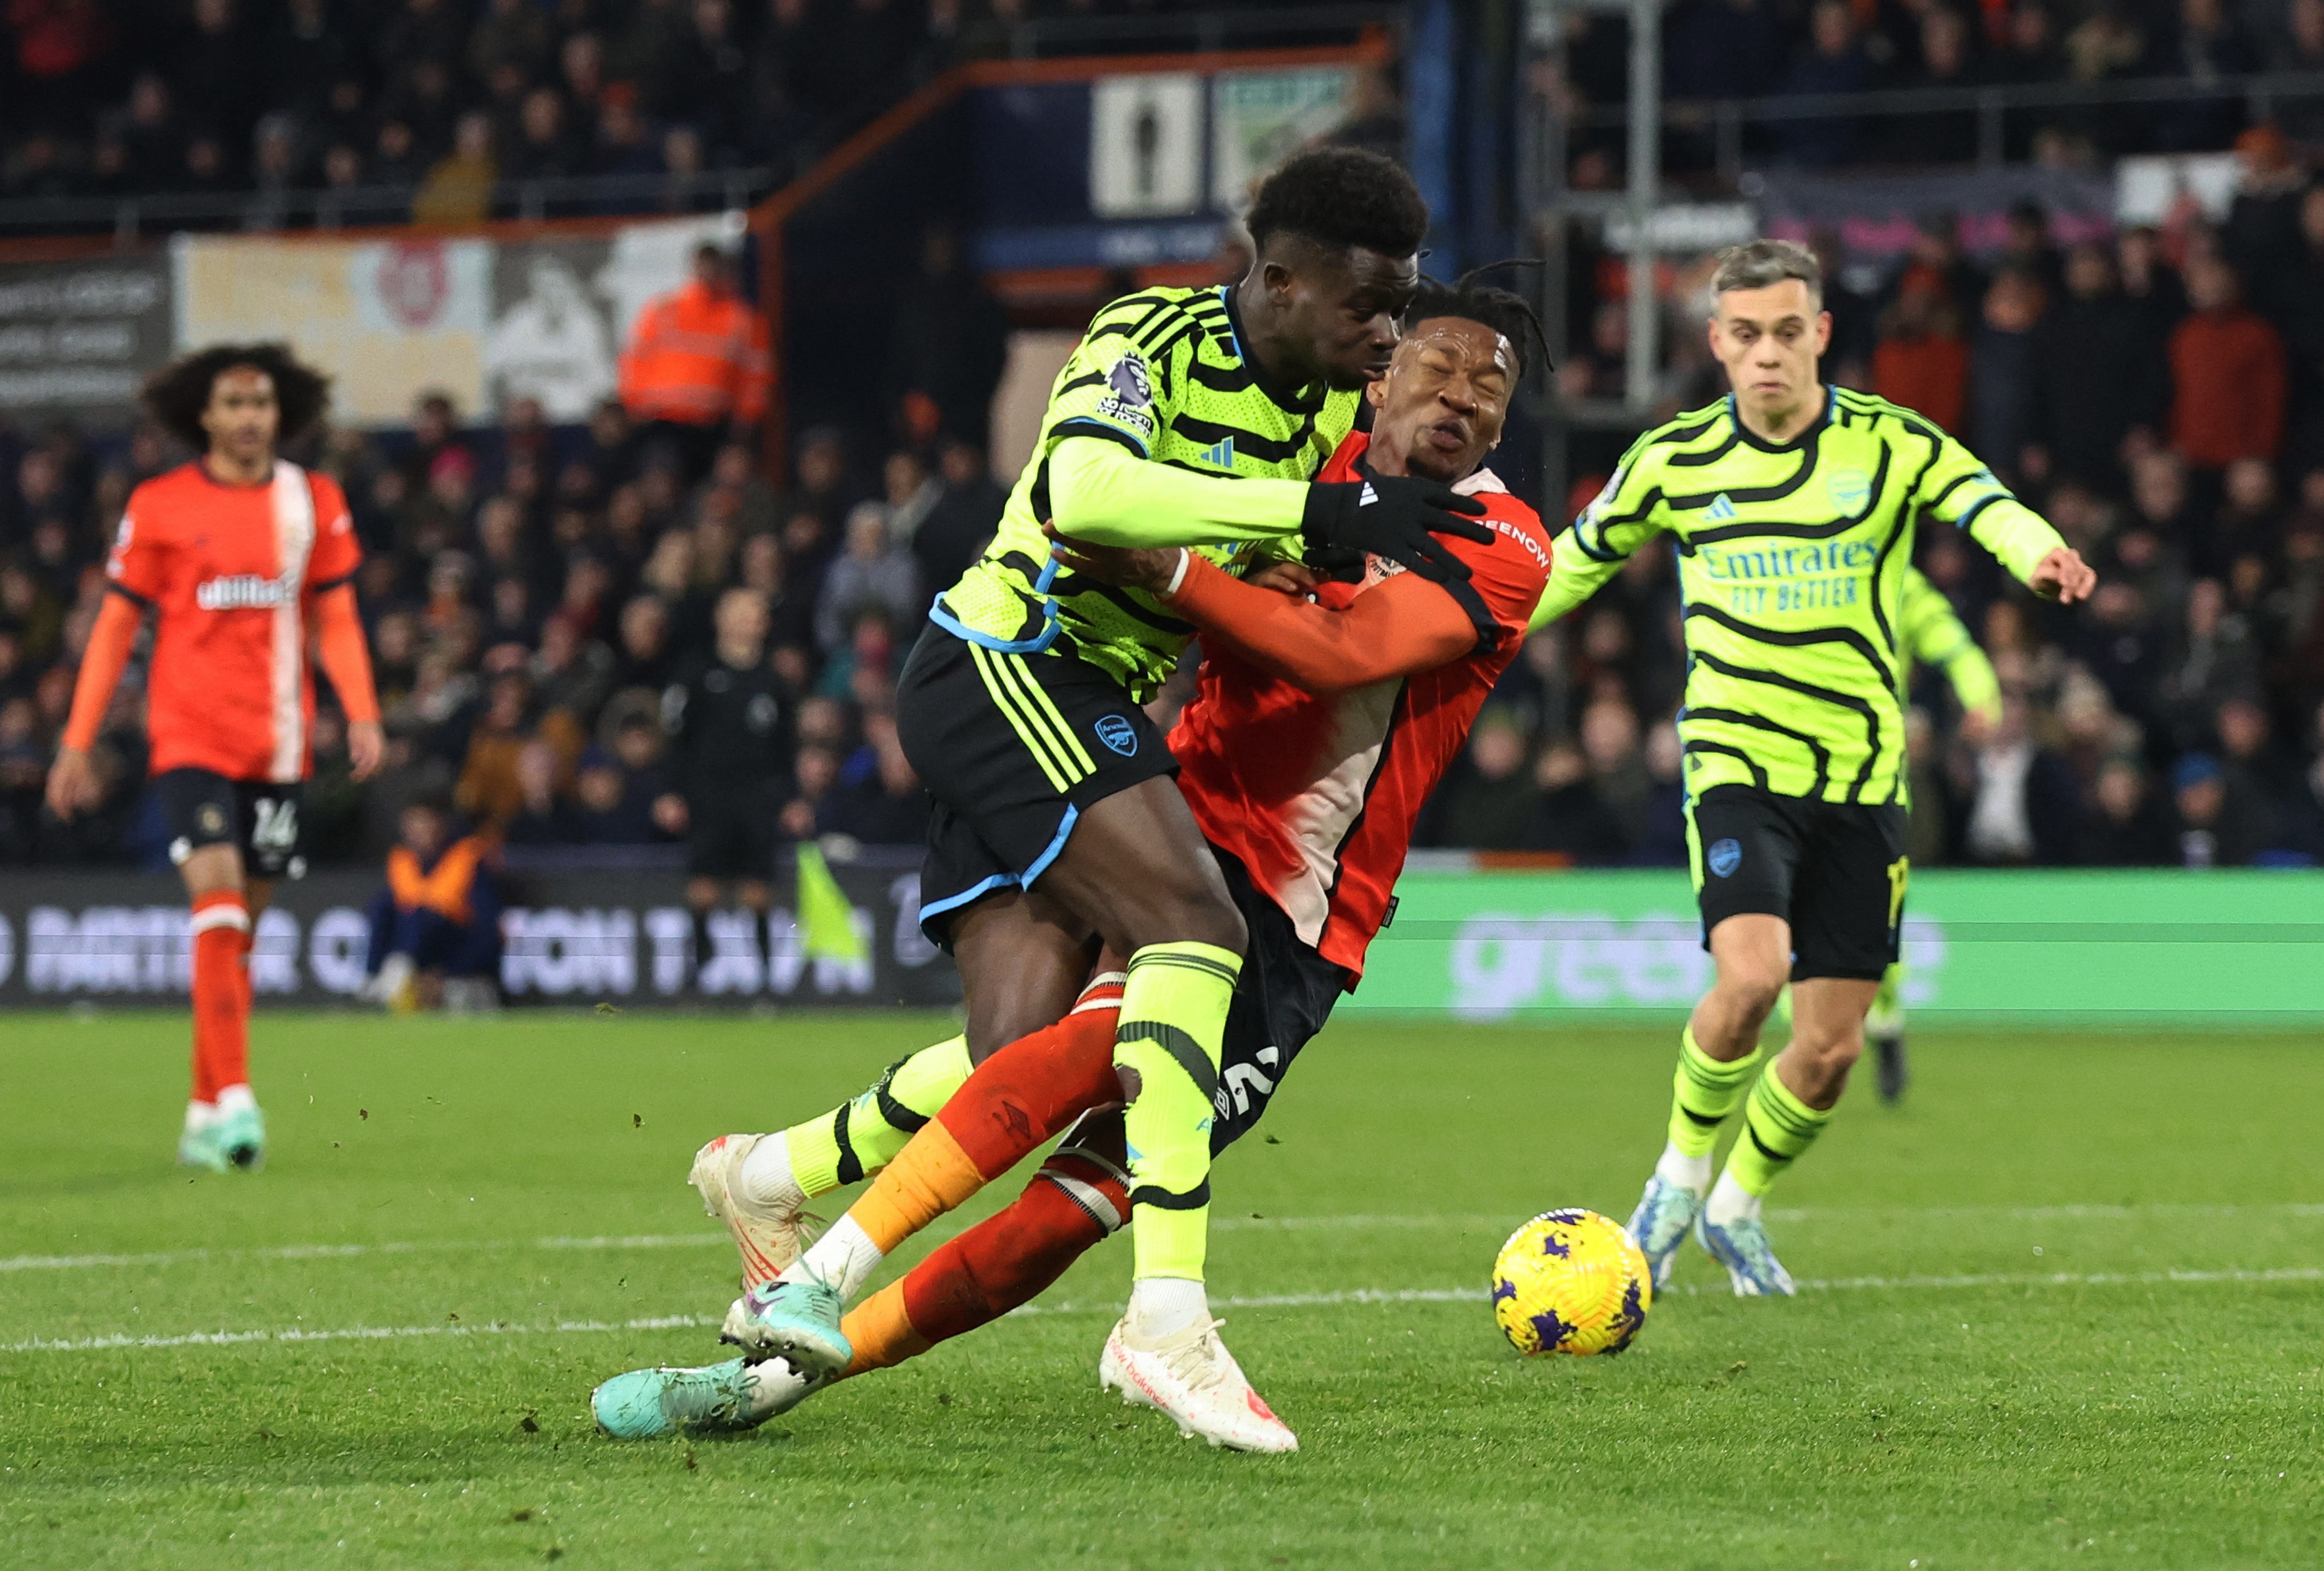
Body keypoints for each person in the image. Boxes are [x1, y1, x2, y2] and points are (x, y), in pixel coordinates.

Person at [591, 273, 1554, 1448]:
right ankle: (833, 1277)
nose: (1459, 398)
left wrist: (1181, 573)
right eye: (1438, 367)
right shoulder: (1305, 468)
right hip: (1184, 834)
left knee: (1083, 1190)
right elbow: (1115, 509)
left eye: (1489, 385)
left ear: (1510, 421)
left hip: (1307, 913)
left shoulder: (1503, 540)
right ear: (1383, 370)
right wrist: (1205, 563)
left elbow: (1339, 659)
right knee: (1073, 1053)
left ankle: (774, 1361)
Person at [1537, 239, 2094, 1297]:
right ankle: (1674, 1181)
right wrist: (1465, 629)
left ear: (1822, 335)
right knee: (1749, 980)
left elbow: (1986, 504)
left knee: (1830, 1053)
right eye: (1745, 335)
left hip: (1863, 781)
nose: (1767, 356)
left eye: (1788, 332)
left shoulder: (1891, 444)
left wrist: (2039, 553)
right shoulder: (1672, 459)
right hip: (1738, 761)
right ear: (1715, 344)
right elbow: (1571, 563)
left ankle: (1737, 1208)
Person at [46, 342, 383, 1172]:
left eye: (260, 403)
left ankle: (202, 1106)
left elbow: (335, 619)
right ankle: (236, 1097)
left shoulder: (314, 501)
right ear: (205, 415)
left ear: (279, 414)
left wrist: (364, 710)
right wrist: (77, 740)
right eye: (232, 404)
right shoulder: (159, 504)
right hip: (189, 735)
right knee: (221, 903)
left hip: (279, 741)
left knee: (239, 934)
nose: (247, 418)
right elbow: (117, 627)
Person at [1771, 567, 2001, 1103]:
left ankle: (1887, 1026)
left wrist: (1982, 701)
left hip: (1872, 780)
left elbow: (1956, 648)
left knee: (1870, 926)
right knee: (1780, 917)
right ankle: (1806, 1045)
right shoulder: (1785, 567)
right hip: (1784, 771)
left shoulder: (1900, 584)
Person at [660, 585, 792, 969]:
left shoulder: (773, 681)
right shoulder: (696, 673)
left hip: (758, 794)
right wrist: (670, 791)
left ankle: (767, 981)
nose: (749, 622)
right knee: (704, 884)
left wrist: (791, 797)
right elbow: (676, 739)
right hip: (708, 793)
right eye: (741, 613)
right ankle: (698, 971)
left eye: (755, 614)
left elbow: (787, 746)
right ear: (721, 619)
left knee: (758, 888)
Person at [616, 243, 772, 485]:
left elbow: (756, 375)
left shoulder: (743, 319)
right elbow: (635, 359)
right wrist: (634, 404)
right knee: (659, 487)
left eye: (715, 267)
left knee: (705, 491)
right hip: (661, 423)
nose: (708, 273)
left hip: (713, 426)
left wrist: (745, 420)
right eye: (703, 266)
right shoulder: (663, 310)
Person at [361, 798, 501, 1011]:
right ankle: (378, 976)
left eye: (425, 823)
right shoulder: (403, 862)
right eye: (412, 825)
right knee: (389, 911)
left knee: (423, 918)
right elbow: (386, 916)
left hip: (454, 948)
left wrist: (450, 972)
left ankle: (402, 970)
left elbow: (486, 925)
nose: (419, 832)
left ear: (440, 824)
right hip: (416, 953)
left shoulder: (465, 857)